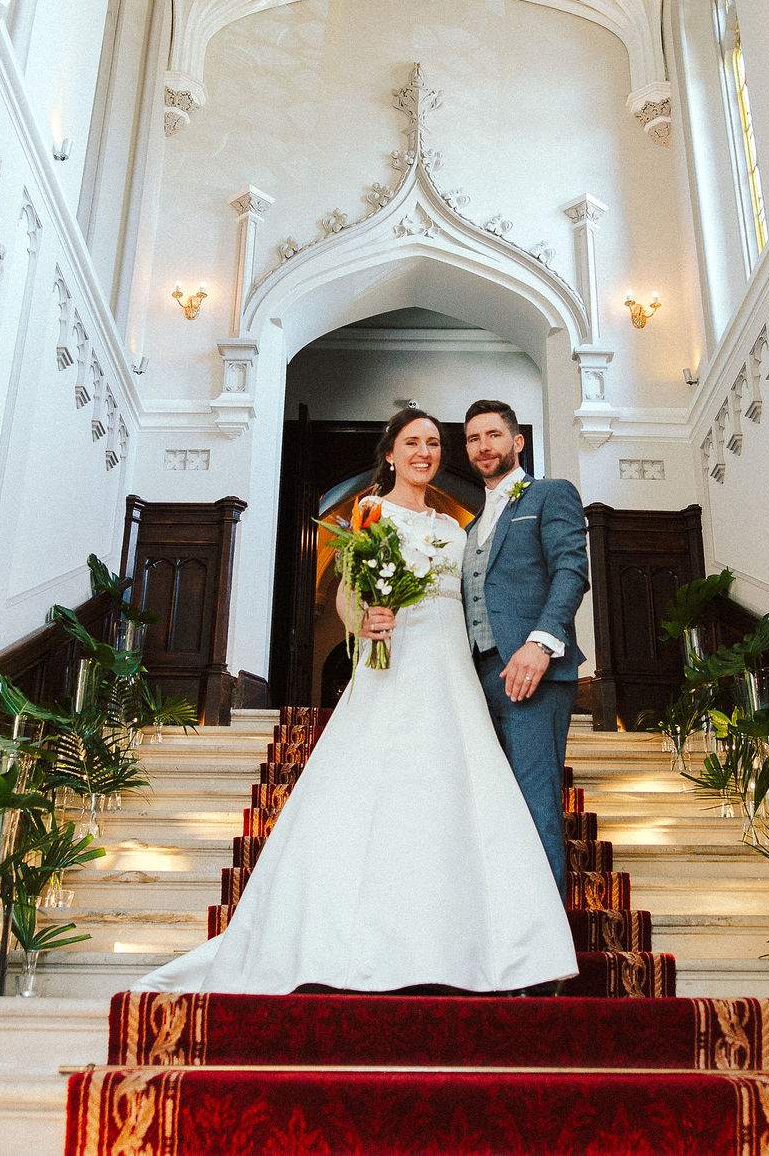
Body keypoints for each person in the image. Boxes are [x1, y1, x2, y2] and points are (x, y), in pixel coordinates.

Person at [131, 407, 576, 995]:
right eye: (413, 443)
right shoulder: (367, 515)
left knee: (467, 791)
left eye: (436, 443)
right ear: (390, 453)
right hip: (393, 666)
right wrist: (361, 619)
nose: (427, 452)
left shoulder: (454, 527)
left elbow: (492, 589)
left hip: (457, 670)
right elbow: (346, 588)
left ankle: (507, 947)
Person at [457, 398, 591, 890]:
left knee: (535, 801)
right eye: (473, 438)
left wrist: (540, 644)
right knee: (494, 808)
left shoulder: (550, 494)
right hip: (475, 677)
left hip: (533, 673)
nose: (483, 446)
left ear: (518, 442)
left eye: (493, 435)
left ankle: (545, 952)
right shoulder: (470, 526)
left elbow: (571, 571)